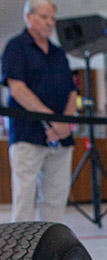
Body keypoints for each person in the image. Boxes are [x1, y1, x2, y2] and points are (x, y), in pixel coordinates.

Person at [1, 0, 77, 223]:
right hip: (28, 134)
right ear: (28, 17)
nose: (50, 22)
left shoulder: (58, 54)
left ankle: (51, 243)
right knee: (25, 198)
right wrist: (52, 120)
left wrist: (64, 123)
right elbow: (18, 89)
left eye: (52, 18)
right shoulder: (16, 47)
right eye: (44, 17)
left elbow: (72, 92)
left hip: (61, 136)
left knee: (55, 198)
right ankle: (21, 246)